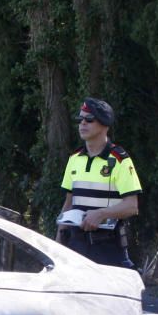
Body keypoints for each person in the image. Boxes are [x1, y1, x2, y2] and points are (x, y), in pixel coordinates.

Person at [57, 97, 141, 268]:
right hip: (75, 246)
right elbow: (68, 203)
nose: (82, 124)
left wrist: (101, 214)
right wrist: (59, 239)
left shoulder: (119, 160)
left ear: (104, 124)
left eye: (89, 120)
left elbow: (132, 206)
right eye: (80, 119)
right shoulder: (74, 159)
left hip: (108, 248)